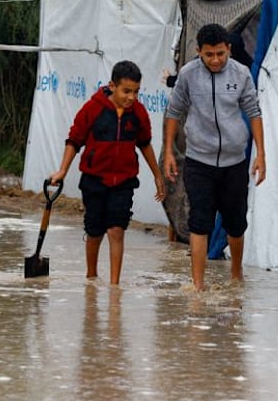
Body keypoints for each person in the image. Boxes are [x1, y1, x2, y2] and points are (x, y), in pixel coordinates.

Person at [163, 24, 266, 291]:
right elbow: (174, 112)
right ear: (199, 52)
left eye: (221, 53)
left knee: (236, 223)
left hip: (234, 162)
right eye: (209, 55)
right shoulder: (188, 75)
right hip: (199, 161)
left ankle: (236, 275)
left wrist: (261, 154)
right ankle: (198, 286)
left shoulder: (241, 74)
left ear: (229, 49)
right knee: (200, 222)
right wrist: (169, 154)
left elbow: (254, 112)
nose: (216, 60)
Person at [49, 60, 165, 285]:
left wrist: (157, 174)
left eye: (136, 92)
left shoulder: (138, 113)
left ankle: (114, 286)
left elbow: (145, 144)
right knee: (94, 231)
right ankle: (91, 276)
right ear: (112, 86)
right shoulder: (93, 108)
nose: (131, 97)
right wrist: (62, 170)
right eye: (126, 91)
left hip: (124, 181)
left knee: (117, 229)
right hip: (94, 179)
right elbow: (74, 140)